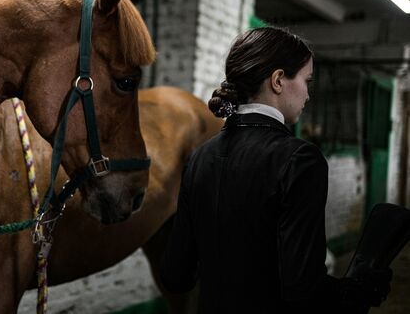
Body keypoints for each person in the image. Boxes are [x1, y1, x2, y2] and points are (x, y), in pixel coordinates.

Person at [160, 27, 392, 313]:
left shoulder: (199, 157)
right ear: (279, 80)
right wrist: (356, 288)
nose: (308, 94)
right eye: (306, 81)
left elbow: (176, 276)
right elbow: (302, 290)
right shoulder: (300, 159)